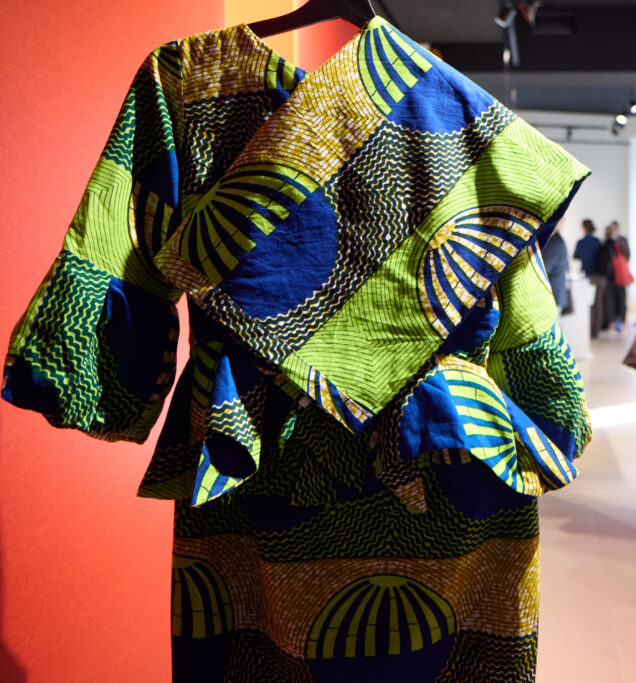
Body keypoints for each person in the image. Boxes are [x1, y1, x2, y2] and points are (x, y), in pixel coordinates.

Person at [0, 17, 591, 681]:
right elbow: (546, 384)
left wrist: (104, 376)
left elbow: (114, 288)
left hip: (258, 466)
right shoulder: (460, 114)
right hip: (449, 466)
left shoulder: (188, 86)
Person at [574, 218, 605, 338]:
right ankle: (596, 330)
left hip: (588, 276)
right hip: (600, 276)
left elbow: (576, 255)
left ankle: (589, 330)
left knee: (588, 304)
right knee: (598, 303)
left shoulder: (581, 242)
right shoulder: (598, 241)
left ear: (584, 228)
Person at [599, 220, 630, 332]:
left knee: (621, 298)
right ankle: (613, 321)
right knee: (611, 299)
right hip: (611, 276)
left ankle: (621, 320)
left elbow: (627, 255)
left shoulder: (621, 241)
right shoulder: (608, 243)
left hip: (619, 275)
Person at [542, 220, 570, 313]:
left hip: (553, 295)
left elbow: (544, 268)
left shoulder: (555, 242)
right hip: (555, 294)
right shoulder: (556, 240)